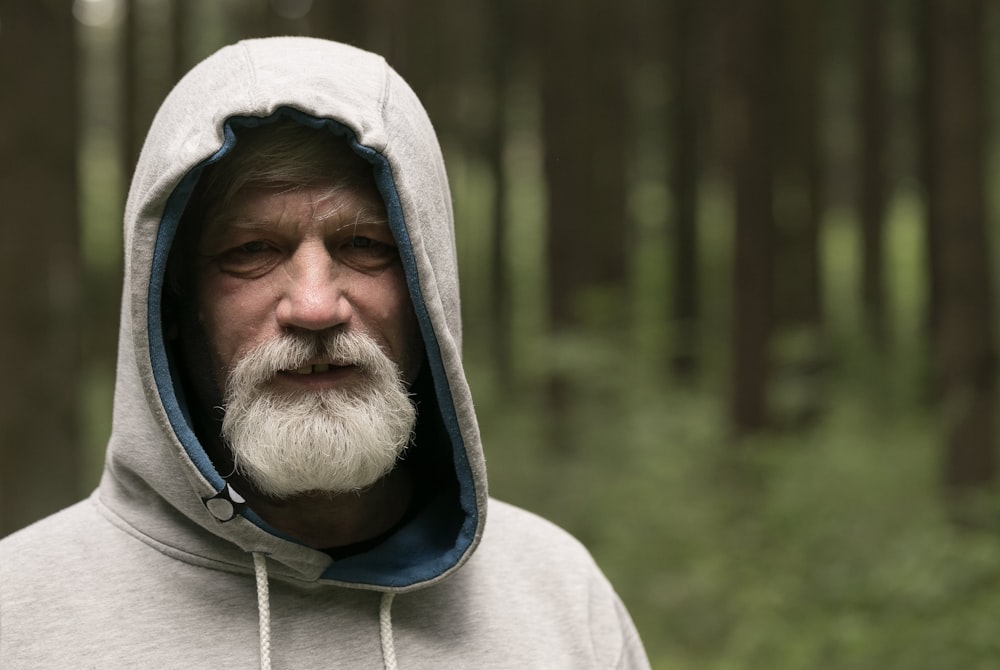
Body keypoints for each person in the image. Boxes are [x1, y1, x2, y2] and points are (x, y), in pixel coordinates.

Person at [0, 37, 650, 669]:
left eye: (365, 245)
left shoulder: (560, 602)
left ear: (429, 289)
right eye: (251, 251)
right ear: (174, 303)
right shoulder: (18, 615)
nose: (314, 307)